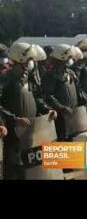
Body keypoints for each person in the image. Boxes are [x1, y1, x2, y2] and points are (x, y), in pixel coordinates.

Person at [0, 42, 57, 179]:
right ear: (19, 60)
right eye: (27, 62)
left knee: (30, 166)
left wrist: (48, 109)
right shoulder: (5, 79)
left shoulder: (29, 78)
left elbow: (38, 98)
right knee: (13, 166)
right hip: (13, 131)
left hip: (32, 130)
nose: (30, 65)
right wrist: (13, 118)